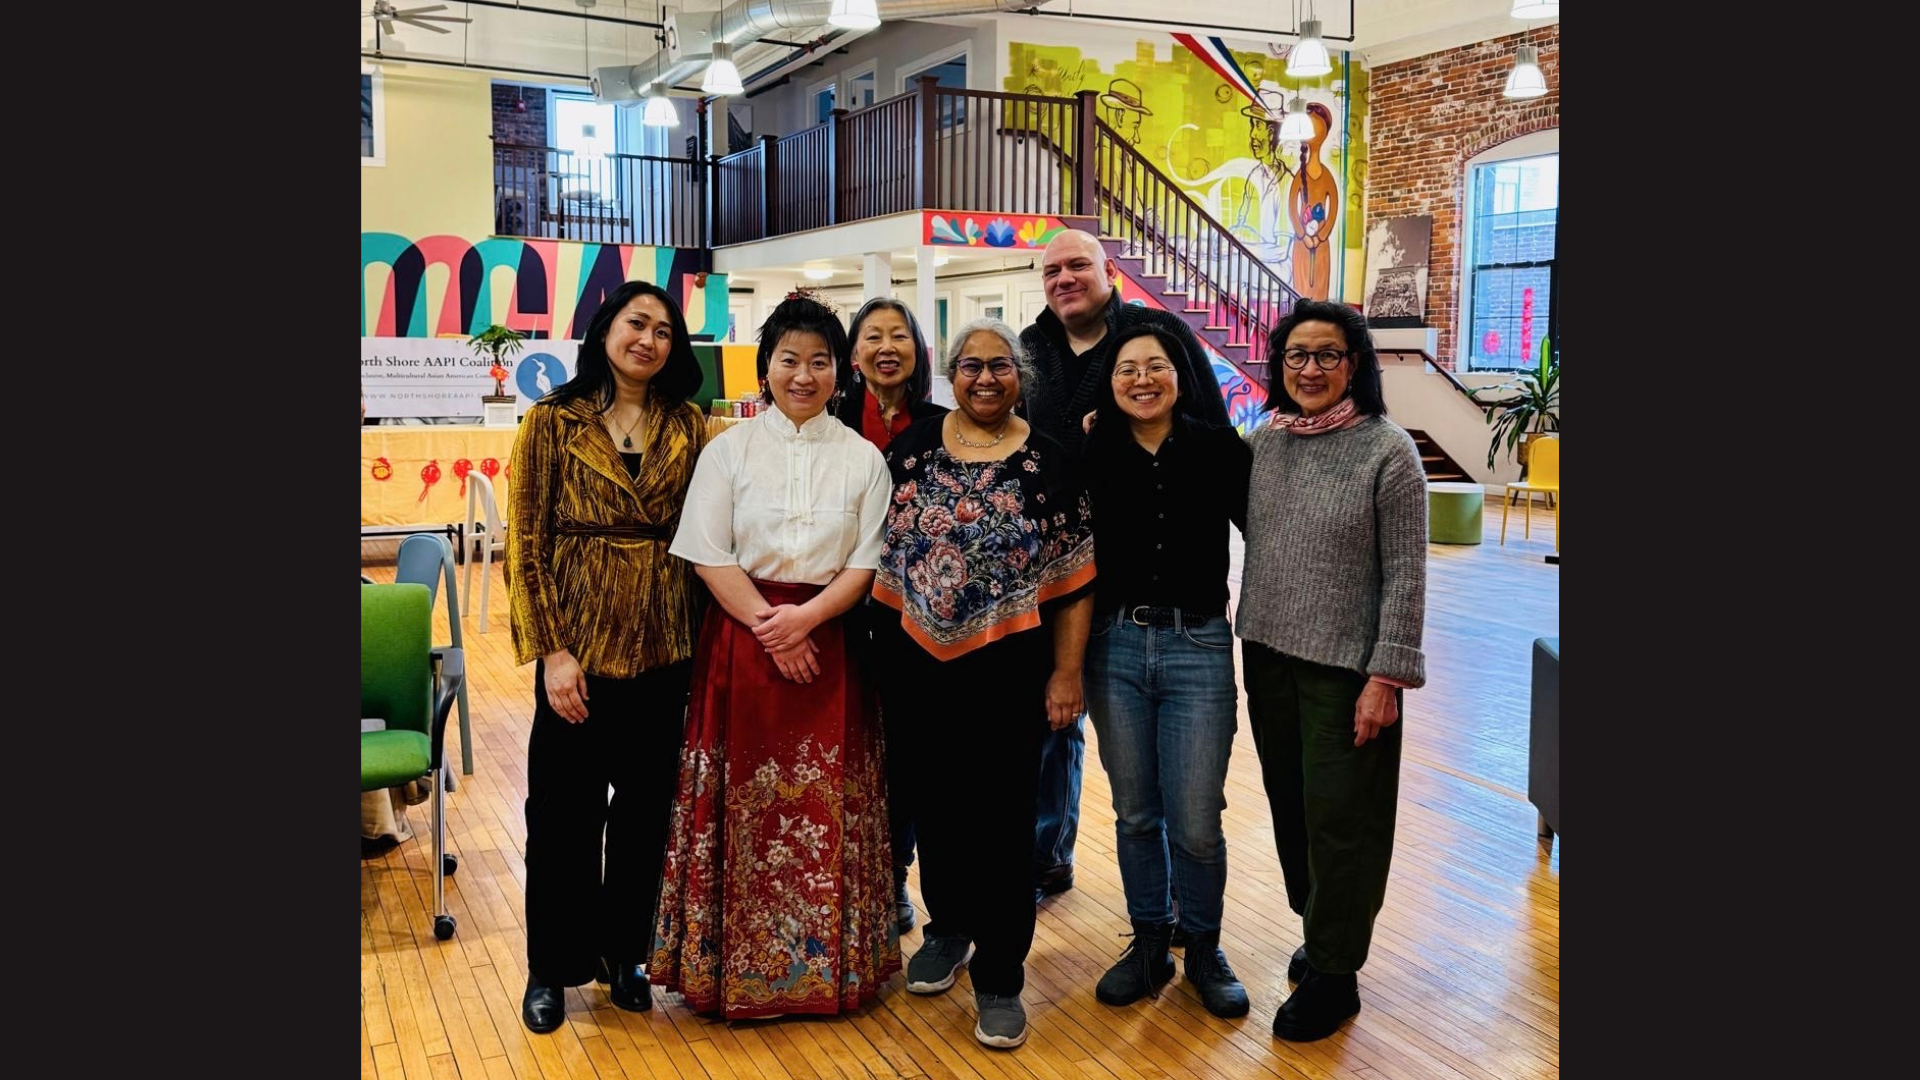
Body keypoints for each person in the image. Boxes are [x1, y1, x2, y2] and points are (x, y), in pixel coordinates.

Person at [650, 296, 900, 1019]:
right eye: (788, 359)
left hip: (832, 646)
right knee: (740, 807)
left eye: (819, 361)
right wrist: (772, 628)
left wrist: (809, 621)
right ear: (765, 368)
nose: (803, 374)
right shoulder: (727, 449)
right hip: (743, 639)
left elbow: (866, 563)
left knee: (830, 808)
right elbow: (706, 552)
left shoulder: (864, 459)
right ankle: (734, 973)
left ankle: (827, 972)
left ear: (839, 371)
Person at [872, 318, 1095, 1049]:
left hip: (1010, 670)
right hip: (917, 665)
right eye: (972, 366)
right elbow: (881, 557)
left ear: (1019, 375)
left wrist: (1067, 672)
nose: (986, 379)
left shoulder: (1053, 460)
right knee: (934, 808)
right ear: (952, 374)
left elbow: (1072, 582)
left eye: (1000, 366)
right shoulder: (911, 452)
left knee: (1002, 822)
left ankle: (1001, 976)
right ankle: (949, 930)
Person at [505, 280, 713, 1035]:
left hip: (664, 648)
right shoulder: (552, 422)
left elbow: (710, 536)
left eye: (664, 331)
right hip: (578, 655)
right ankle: (552, 968)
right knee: (562, 818)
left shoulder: (691, 425)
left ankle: (625, 955)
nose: (649, 340)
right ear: (604, 331)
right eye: (637, 323)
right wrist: (552, 653)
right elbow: (524, 548)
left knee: (645, 820)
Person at [1017, 228, 1228, 906]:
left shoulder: (1156, 334)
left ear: (1109, 271)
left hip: (1156, 579)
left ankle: (1189, 933)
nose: (1065, 279)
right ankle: (1048, 851)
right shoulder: (1031, 346)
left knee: (1184, 802)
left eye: (1079, 265)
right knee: (1054, 716)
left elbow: (1211, 439)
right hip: (1052, 564)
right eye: (1052, 270)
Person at [1237, 299, 1427, 1042]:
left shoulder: (1388, 451)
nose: (1310, 370)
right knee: (1293, 810)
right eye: (1296, 356)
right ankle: (1323, 935)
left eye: (1327, 355)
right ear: (1279, 366)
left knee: (1344, 821)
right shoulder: (1266, 444)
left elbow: (1408, 576)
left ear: (1355, 365)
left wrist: (1387, 678)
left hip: (1347, 671)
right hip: (1268, 655)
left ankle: (1337, 972)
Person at [1080, 324, 1251, 1019]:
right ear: (1110, 382)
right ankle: (1149, 938)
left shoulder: (1218, 448)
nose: (1142, 379)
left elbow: (1268, 534)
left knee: (1197, 818)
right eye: (1127, 369)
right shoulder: (1092, 449)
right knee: (1135, 811)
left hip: (1199, 646)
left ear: (1181, 375)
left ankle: (1203, 945)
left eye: (1156, 366)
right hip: (1114, 645)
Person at [831, 297, 950, 937]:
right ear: (853, 355)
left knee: (905, 754)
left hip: (915, 616)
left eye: (898, 335)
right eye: (871, 336)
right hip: (838, 610)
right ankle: (855, 877)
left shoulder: (940, 425)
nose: (885, 346)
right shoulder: (830, 417)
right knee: (851, 747)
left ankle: (896, 877)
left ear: (916, 350)